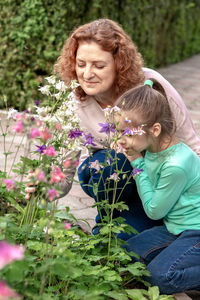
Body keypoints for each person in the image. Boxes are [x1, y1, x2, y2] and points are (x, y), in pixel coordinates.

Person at [43, 18, 200, 239]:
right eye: (81, 64)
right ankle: (109, 221)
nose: (87, 74)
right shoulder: (75, 104)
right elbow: (64, 172)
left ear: (119, 63)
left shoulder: (151, 85)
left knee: (137, 247)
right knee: (104, 165)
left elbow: (193, 150)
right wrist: (42, 187)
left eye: (98, 65)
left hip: (163, 185)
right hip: (120, 185)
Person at [115, 78, 200, 294]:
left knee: (160, 277)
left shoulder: (176, 165)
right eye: (118, 132)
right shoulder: (152, 147)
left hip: (196, 230)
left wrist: (137, 165)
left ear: (155, 129)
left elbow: (154, 211)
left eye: (127, 133)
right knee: (125, 254)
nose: (121, 141)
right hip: (175, 229)